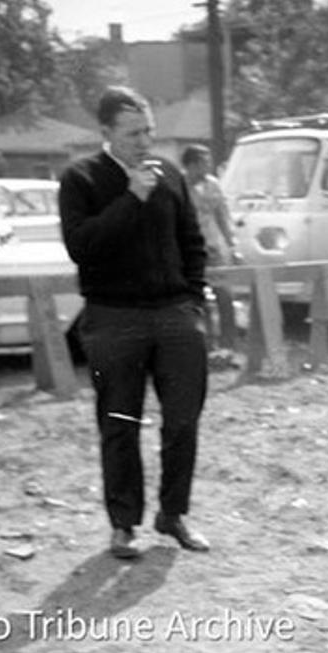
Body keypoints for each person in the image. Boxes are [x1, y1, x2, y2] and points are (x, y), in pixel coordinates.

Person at [59, 86, 211, 559]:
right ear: (105, 133)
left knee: (183, 419)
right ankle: (124, 525)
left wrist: (192, 301)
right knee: (120, 421)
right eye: (132, 134)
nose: (144, 143)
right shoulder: (80, 178)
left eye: (148, 131)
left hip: (173, 315)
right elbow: (82, 246)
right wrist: (130, 198)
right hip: (113, 318)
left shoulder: (169, 175)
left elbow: (192, 240)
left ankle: (173, 514)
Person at [181, 144, 239, 353]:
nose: (209, 166)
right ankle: (206, 345)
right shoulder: (178, 185)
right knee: (197, 299)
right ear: (192, 164)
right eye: (205, 162)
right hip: (188, 251)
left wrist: (232, 245)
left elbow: (222, 215)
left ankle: (228, 346)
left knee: (225, 295)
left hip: (213, 248)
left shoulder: (213, 184)